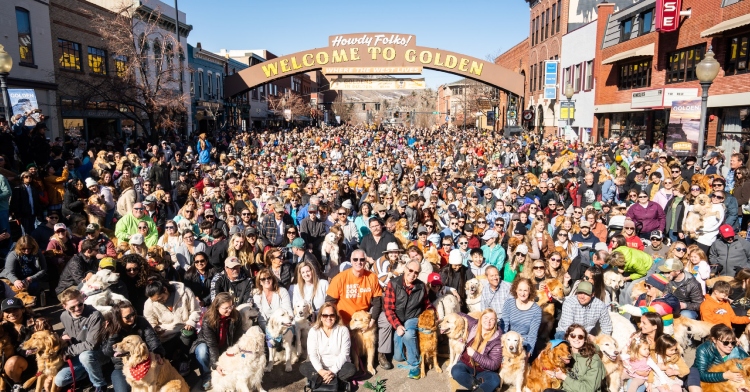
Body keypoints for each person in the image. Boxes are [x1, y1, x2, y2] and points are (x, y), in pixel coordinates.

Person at [325, 249, 389, 369]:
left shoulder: (372, 277)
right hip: (344, 318)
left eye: (362, 259)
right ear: (351, 260)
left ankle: (381, 354)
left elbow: (377, 302)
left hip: (365, 316)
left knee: (385, 320)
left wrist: (373, 320)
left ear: (365, 261)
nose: (359, 262)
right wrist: (336, 321)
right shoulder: (340, 278)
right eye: (355, 259)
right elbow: (329, 302)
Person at [102, 301, 166, 392]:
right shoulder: (111, 327)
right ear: (118, 318)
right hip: (121, 367)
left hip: (143, 362)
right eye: (127, 317)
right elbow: (107, 352)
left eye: (133, 314)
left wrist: (158, 353)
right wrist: (114, 333)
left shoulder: (140, 321)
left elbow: (152, 339)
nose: (132, 318)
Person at [54, 288, 108, 392]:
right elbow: (69, 331)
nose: (77, 308)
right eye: (72, 307)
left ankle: (100, 385)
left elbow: (91, 345)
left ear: (83, 300)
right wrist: (64, 337)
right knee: (60, 380)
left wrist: (67, 351)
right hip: (77, 353)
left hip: (97, 352)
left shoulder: (94, 315)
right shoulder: (64, 316)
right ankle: (89, 373)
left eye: (80, 304)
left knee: (85, 356)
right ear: (64, 307)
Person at [383, 259, 430, 379]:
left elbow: (427, 304)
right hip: (398, 318)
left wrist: (434, 315)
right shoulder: (393, 284)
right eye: (411, 270)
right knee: (398, 357)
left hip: (413, 317)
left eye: (416, 272)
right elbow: (388, 308)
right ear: (405, 269)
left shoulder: (421, 286)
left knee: (408, 334)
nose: (413, 274)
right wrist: (397, 325)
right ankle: (411, 348)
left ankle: (415, 366)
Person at [143, 278, 201, 371]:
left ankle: (184, 360)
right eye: (156, 301)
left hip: (184, 328)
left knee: (185, 336)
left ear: (165, 290)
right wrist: (155, 329)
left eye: (160, 298)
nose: (159, 301)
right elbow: (150, 321)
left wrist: (191, 322)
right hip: (166, 334)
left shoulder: (185, 292)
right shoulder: (149, 303)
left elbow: (196, 310)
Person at [299, 302, 356, 390]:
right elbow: (312, 354)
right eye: (325, 315)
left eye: (332, 315)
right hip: (320, 366)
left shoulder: (343, 330)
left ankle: (318, 381)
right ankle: (337, 383)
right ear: (321, 317)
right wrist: (320, 371)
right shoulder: (314, 331)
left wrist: (333, 371)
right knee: (303, 367)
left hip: (339, 367)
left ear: (336, 316)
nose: (328, 318)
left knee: (351, 369)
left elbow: (344, 354)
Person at [192, 292, 242, 390]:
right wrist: (216, 364)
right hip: (209, 344)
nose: (230, 310)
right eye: (226, 308)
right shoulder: (208, 319)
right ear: (217, 307)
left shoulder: (236, 316)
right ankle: (206, 376)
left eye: (231, 306)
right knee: (201, 351)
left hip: (227, 344)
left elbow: (237, 337)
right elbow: (212, 345)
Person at [450, 309, 502, 392]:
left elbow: (494, 365)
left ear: (495, 322)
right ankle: (480, 387)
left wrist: (475, 354)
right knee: (456, 371)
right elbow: (460, 314)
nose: (488, 321)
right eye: (486, 318)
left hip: (484, 370)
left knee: (495, 380)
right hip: (466, 364)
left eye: (492, 319)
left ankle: (477, 388)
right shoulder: (474, 324)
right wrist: (449, 317)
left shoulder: (497, 340)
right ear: (481, 318)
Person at [543, 324, 606, 392]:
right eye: (573, 335)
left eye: (580, 337)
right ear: (568, 337)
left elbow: (589, 389)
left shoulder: (593, 359)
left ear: (585, 339)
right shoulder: (566, 355)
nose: (576, 338)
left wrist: (563, 377)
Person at [688, 324, 748, 392]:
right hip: (700, 371)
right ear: (714, 340)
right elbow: (702, 374)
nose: (730, 346)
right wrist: (725, 376)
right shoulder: (703, 349)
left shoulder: (736, 351)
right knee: (695, 390)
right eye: (726, 343)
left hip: (724, 374)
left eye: (733, 342)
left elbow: (748, 361)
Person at [500, 277, 542, 355]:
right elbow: (504, 326)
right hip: (508, 342)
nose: (522, 293)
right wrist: (502, 344)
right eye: (520, 290)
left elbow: (532, 334)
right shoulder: (509, 303)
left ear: (530, 291)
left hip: (524, 343)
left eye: (525, 290)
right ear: (516, 290)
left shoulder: (536, 310)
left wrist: (529, 352)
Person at [1, 297, 37, 386]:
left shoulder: (36, 324)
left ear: (23, 310)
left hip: (33, 363)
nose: (11, 313)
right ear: (3, 314)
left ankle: (18, 385)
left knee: (12, 363)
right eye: (8, 311)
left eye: (15, 309)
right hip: (13, 367)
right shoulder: (3, 327)